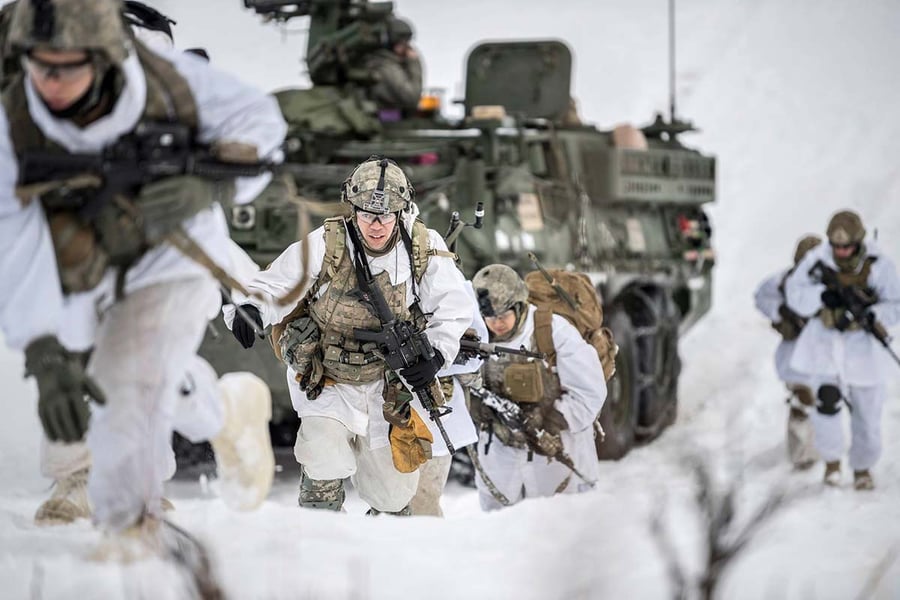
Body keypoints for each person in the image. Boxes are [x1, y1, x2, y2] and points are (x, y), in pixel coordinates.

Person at [0, 0, 286, 552]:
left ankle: (126, 516)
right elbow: (12, 237)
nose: (53, 82)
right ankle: (222, 414)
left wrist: (214, 192)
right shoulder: (18, 113)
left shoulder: (168, 82)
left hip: (166, 261)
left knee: (124, 378)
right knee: (95, 371)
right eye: (42, 66)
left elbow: (255, 139)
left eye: (70, 65)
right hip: (75, 264)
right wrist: (39, 346)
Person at [231, 156, 474, 515]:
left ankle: (383, 550)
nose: (376, 225)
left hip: (385, 384)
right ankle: (323, 530)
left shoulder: (422, 246)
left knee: (393, 495)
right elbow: (278, 282)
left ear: (400, 213)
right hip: (328, 379)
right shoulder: (329, 242)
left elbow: (454, 307)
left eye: (386, 216)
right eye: (366, 215)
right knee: (322, 455)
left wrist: (437, 354)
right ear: (353, 209)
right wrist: (252, 308)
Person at [467, 264, 605, 510]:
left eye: (502, 316)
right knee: (497, 531)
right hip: (501, 453)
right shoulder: (477, 335)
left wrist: (550, 420)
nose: (495, 324)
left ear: (519, 306)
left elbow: (590, 393)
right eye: (489, 317)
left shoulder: (552, 332)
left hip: (558, 455)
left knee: (559, 530)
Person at [785, 210, 900, 490]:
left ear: (859, 242)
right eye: (836, 246)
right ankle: (832, 464)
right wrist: (822, 296)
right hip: (826, 344)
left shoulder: (879, 266)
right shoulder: (818, 260)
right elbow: (796, 294)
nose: (841, 252)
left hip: (863, 349)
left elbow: (895, 304)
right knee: (826, 403)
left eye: (846, 247)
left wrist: (872, 316)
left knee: (869, 415)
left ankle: (863, 467)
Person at [409, 282, 484, 517]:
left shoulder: (452, 280)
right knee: (384, 504)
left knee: (424, 503)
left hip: (433, 417)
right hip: (379, 413)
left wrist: (437, 362)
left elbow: (474, 353)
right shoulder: (371, 269)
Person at [753, 234, 822, 470]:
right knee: (803, 402)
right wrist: (781, 313)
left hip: (824, 358)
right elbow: (761, 296)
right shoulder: (784, 281)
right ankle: (803, 458)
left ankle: (824, 453)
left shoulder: (831, 284)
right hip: (795, 358)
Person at [364, 16, 423, 116]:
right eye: (402, 42)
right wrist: (414, 63)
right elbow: (412, 97)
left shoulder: (383, 62)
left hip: (385, 116)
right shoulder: (385, 65)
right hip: (387, 117)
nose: (407, 46)